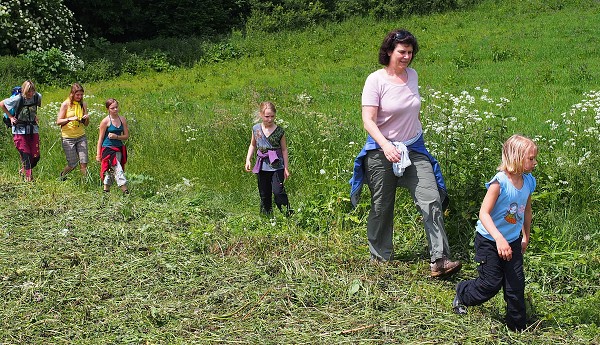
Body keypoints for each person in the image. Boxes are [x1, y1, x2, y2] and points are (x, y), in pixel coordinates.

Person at [349, 29, 461, 278]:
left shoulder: (413, 75)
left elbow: (412, 110)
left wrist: (413, 133)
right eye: (402, 52)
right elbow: (368, 121)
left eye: (410, 52)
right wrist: (387, 146)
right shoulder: (375, 80)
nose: (407, 57)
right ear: (389, 51)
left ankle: (439, 260)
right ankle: (379, 258)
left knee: (431, 197)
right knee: (381, 205)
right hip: (381, 150)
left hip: (413, 148)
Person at [453, 134, 537, 331]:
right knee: (491, 283)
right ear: (516, 157)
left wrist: (525, 236)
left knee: (516, 285)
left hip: (513, 242)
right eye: (531, 158)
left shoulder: (529, 181)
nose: (535, 163)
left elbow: (527, 210)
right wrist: (499, 239)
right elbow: (484, 213)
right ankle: (463, 294)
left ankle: (517, 328)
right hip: (490, 241)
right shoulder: (499, 183)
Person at [244, 101, 292, 216]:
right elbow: (253, 145)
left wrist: (286, 168)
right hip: (262, 165)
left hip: (277, 166)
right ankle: (267, 216)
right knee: (264, 193)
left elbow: (284, 149)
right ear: (261, 115)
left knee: (278, 191)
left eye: (272, 116)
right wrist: (248, 159)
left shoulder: (279, 131)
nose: (270, 119)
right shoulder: (256, 129)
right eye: (267, 116)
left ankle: (287, 213)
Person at [0, 80, 42, 182]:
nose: (30, 94)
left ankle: (23, 170)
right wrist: (10, 117)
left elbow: (34, 108)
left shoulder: (37, 96)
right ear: (24, 91)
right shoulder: (17, 99)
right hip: (19, 130)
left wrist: (34, 116)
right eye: (28, 92)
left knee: (36, 157)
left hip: (32, 129)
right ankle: (29, 181)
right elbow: (2, 104)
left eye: (32, 92)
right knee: (26, 155)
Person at [56, 83, 90, 180]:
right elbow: (58, 121)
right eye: (77, 95)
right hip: (68, 137)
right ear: (72, 94)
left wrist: (86, 118)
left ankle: (85, 183)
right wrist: (70, 119)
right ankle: (62, 176)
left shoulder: (83, 104)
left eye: (81, 95)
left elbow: (86, 124)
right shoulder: (66, 104)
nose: (79, 97)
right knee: (73, 164)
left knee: (84, 162)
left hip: (81, 136)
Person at [96, 98, 129, 194]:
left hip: (119, 148)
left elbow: (126, 136)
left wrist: (116, 136)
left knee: (110, 171)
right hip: (108, 149)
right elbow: (100, 139)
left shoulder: (122, 119)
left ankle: (106, 192)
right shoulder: (105, 121)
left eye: (116, 107)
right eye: (112, 108)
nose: (115, 110)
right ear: (108, 109)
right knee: (118, 168)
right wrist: (98, 154)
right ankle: (126, 191)